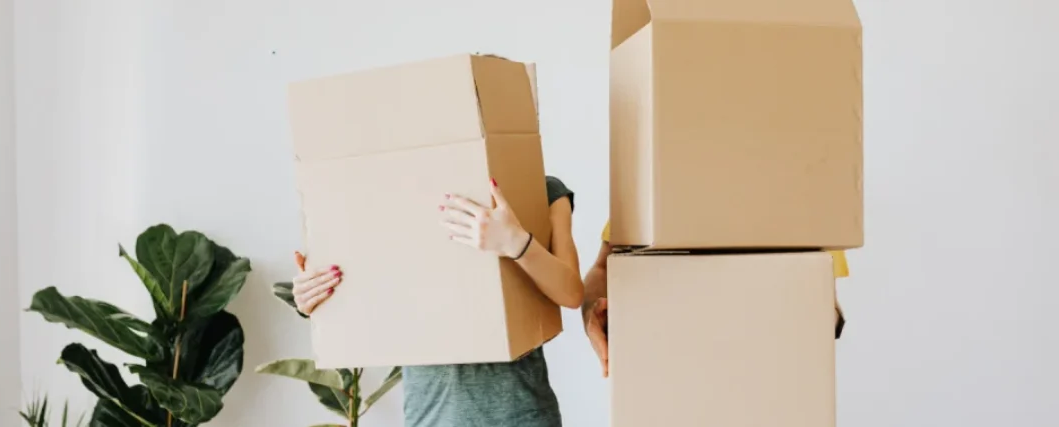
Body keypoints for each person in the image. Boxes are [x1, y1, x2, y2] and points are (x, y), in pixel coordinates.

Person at [291, 176, 584, 427]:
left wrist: (514, 241)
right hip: (430, 416)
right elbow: (367, 290)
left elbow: (571, 293)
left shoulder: (542, 190)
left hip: (522, 416)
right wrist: (314, 296)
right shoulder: (395, 195)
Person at [581, 221, 851, 378]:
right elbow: (604, 268)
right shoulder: (654, 182)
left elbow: (827, 307)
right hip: (666, 373)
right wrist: (590, 315)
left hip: (765, 377)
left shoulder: (804, 197)